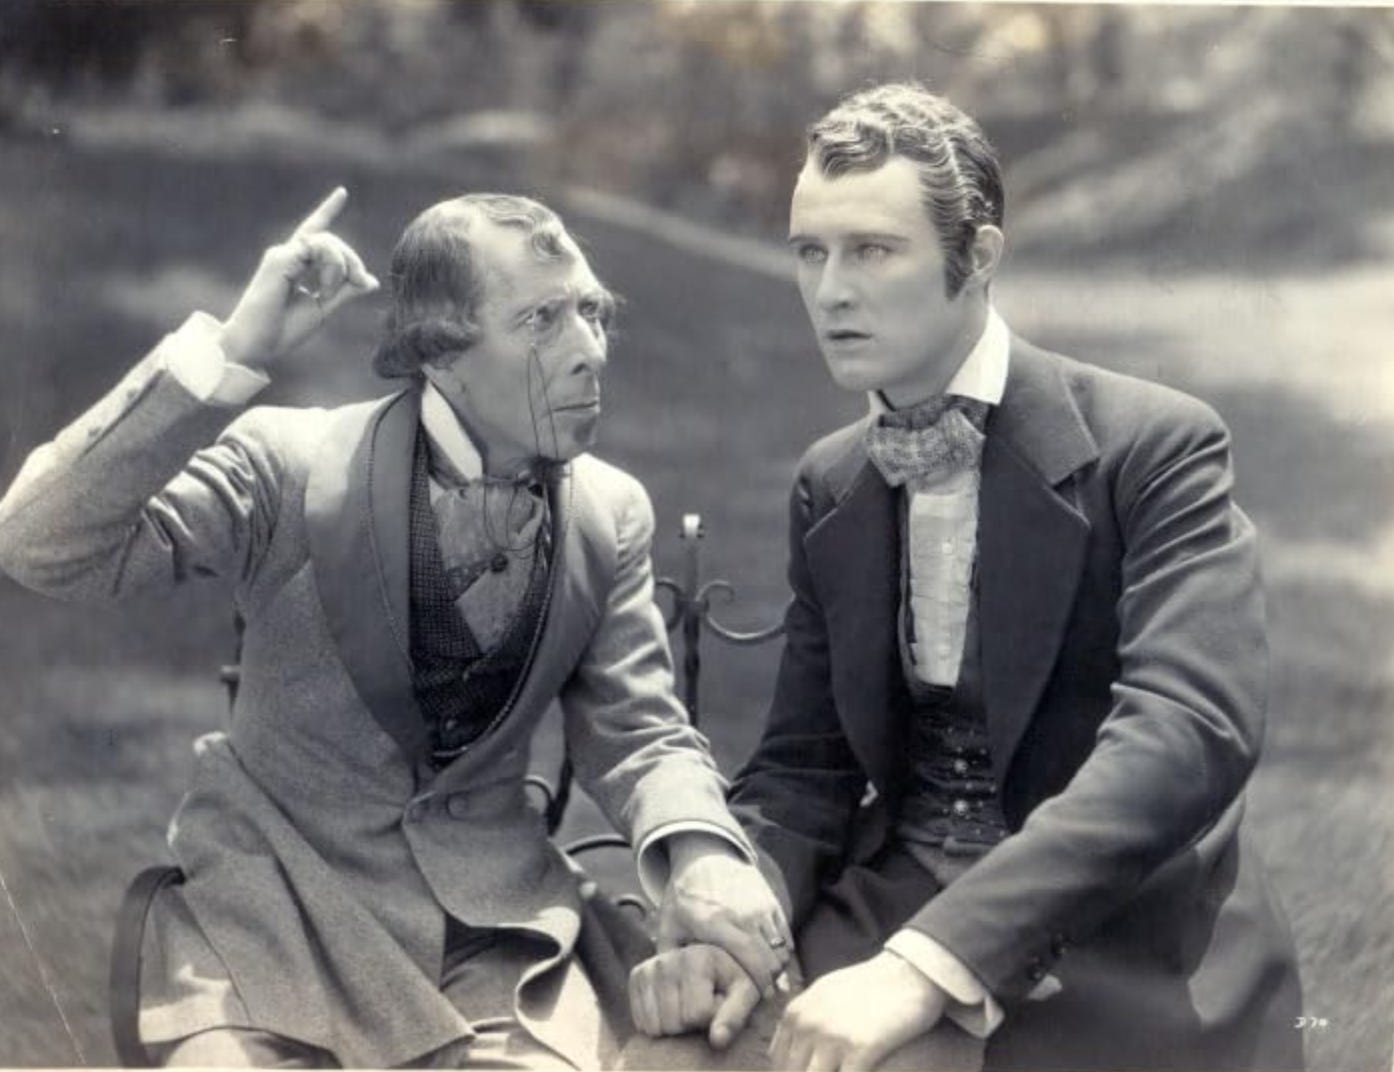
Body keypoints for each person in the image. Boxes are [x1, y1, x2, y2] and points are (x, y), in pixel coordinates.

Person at [0, 188, 792, 1069]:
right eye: (541, 320)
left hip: (494, 941)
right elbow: (39, 543)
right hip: (272, 925)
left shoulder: (609, 511)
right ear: (441, 350)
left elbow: (636, 733)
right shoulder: (290, 466)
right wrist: (229, 355)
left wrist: (700, 856)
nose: (589, 352)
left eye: (592, 312)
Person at [630, 82, 1304, 1072]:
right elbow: (803, 768)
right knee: (667, 1056)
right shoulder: (833, 478)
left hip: (1105, 929)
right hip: (891, 890)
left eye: (872, 250)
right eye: (809, 252)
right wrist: (741, 917)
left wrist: (922, 967)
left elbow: (1186, 731)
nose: (830, 290)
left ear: (977, 257)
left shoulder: (1152, 445)